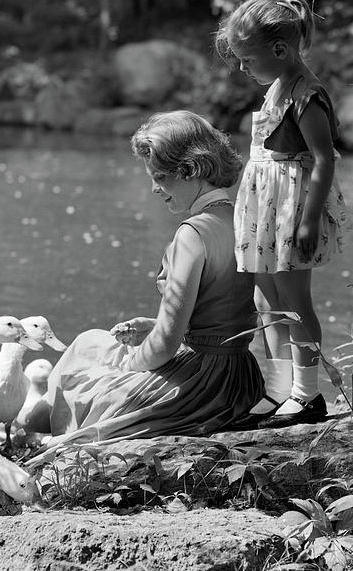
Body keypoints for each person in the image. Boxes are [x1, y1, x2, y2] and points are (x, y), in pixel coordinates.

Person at [25, 111, 263, 455]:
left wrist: (126, 366)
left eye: (161, 177)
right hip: (240, 378)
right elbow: (223, 312)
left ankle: (36, 428)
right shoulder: (243, 219)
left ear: (191, 170)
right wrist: (155, 325)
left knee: (88, 351)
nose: (155, 188)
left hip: (202, 383)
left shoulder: (192, 235)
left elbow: (166, 346)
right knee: (93, 344)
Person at [215, 0, 349, 429]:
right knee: (265, 298)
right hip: (264, 208)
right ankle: (279, 389)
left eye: (246, 59)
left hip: (290, 209)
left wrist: (308, 219)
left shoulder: (307, 95)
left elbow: (323, 159)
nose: (241, 67)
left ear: (279, 50)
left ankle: (306, 395)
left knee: (294, 302)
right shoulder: (277, 84)